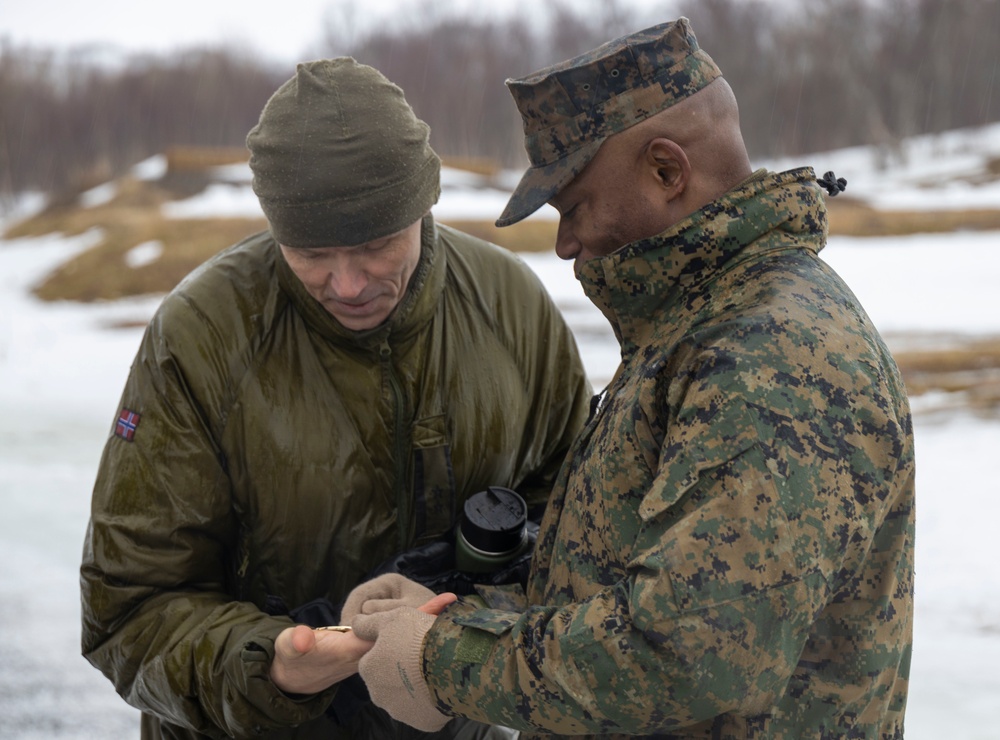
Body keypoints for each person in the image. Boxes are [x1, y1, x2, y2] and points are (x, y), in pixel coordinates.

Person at [344, 18, 916, 739]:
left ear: (668, 171)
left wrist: (443, 661)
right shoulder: (695, 328)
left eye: (574, 207)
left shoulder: (767, 353)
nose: (565, 244)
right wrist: (455, 617)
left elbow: (689, 653)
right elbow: (633, 589)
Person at [79, 58, 593, 740]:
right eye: (311, 252)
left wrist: (463, 620)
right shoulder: (200, 336)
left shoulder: (513, 310)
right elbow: (128, 609)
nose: (347, 284)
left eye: (377, 246)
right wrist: (269, 668)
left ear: (423, 203)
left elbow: (581, 539)